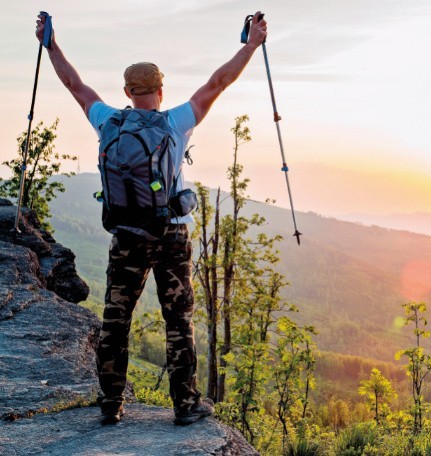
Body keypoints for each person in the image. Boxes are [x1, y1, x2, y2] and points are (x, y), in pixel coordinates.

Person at [35, 11, 267, 426]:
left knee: (115, 319)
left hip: (126, 237)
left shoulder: (108, 120)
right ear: (162, 89)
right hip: (172, 236)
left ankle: (110, 404)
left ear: (126, 91)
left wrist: (50, 43)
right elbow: (218, 83)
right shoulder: (176, 122)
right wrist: (250, 45)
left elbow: (74, 84)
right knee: (178, 319)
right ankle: (186, 405)